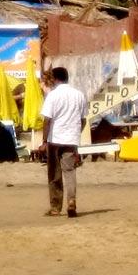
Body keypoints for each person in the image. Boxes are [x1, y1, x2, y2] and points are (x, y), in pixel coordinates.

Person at [40, 66, 86, 218]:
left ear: (55, 79)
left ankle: (55, 207)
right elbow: (83, 120)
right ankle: (71, 201)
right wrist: (75, 133)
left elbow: (47, 120)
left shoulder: (53, 95)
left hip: (55, 139)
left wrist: (44, 140)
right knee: (70, 172)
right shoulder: (79, 95)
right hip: (71, 139)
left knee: (54, 174)